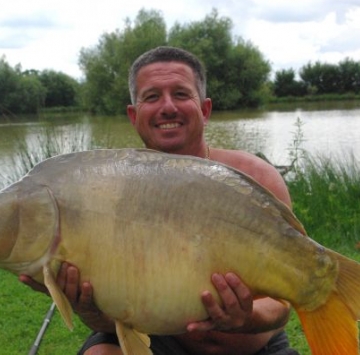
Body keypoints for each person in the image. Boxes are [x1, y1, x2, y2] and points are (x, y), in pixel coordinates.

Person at [20, 46, 299, 355]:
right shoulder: (110, 193)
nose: (167, 107)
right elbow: (116, 316)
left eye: (181, 94)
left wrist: (247, 317)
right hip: (163, 342)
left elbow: (284, 303)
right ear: (133, 114)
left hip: (254, 348)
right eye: (151, 97)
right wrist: (87, 307)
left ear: (205, 109)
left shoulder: (255, 179)